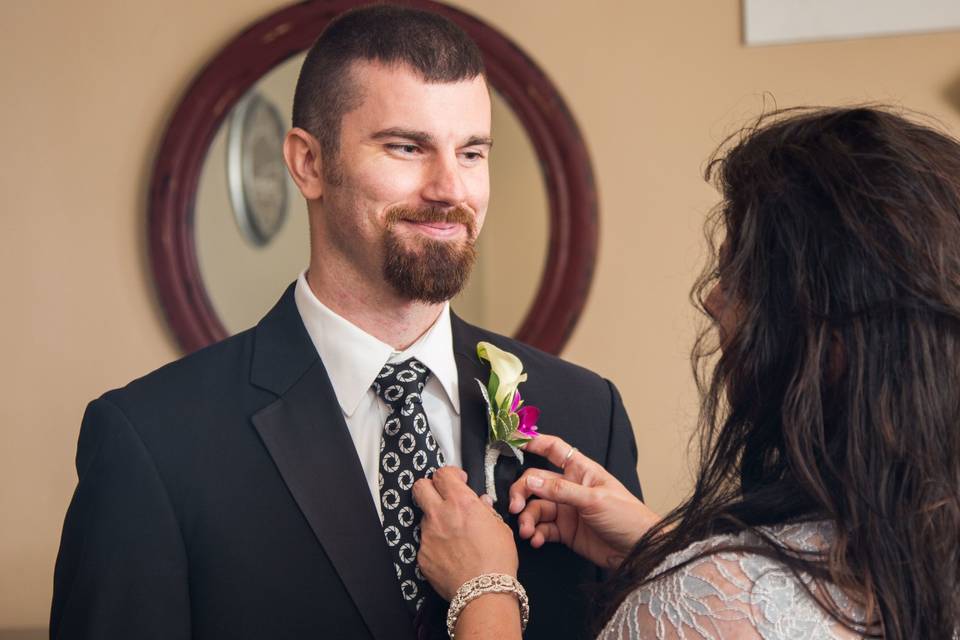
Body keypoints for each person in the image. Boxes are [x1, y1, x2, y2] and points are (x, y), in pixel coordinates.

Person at [49, 5, 642, 640]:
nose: (450, 188)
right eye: (406, 147)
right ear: (308, 163)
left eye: (471, 152)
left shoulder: (585, 415)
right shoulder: (152, 442)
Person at [415, 106, 960, 639]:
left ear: (824, 336)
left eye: (739, 273)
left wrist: (484, 595)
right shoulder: (927, 552)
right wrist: (666, 549)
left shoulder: (701, 606)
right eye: (407, 147)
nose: (711, 298)